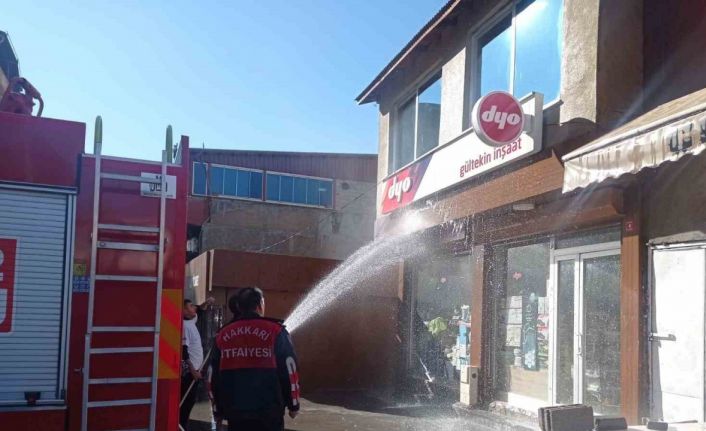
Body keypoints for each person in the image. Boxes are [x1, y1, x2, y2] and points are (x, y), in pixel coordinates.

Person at [211, 287, 300, 431]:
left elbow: (212, 376)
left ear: (239, 306)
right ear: (259, 305)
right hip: (269, 412)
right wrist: (293, 404)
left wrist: (217, 410)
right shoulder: (276, 331)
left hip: (235, 412)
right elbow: (290, 370)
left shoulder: (222, 335)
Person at [180, 299, 204, 430]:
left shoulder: (191, 321)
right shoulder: (184, 326)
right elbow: (184, 352)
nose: (194, 308)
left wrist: (206, 303)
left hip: (196, 370)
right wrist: (193, 371)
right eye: (190, 306)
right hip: (190, 373)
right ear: (184, 310)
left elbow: (199, 311)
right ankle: (181, 426)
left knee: (190, 402)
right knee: (186, 403)